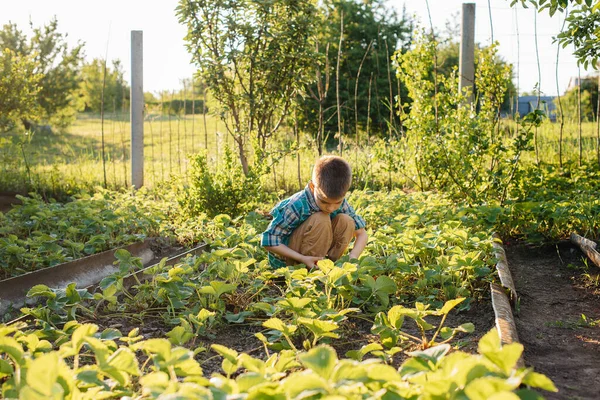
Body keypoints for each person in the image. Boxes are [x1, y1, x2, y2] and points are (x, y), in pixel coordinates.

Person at [261, 155, 368, 269]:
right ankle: (309, 268)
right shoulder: (296, 205)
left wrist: (353, 256)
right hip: (291, 260)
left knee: (346, 220)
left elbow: (361, 234)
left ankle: (328, 266)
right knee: (321, 218)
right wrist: (302, 258)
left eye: (337, 202)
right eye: (324, 201)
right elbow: (269, 240)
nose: (331, 208)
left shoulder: (341, 203)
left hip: (315, 252)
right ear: (312, 187)